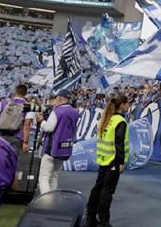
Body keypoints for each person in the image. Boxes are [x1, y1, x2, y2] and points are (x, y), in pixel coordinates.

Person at [87, 95, 130, 227]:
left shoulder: (108, 118)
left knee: (98, 188)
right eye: (127, 104)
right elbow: (119, 143)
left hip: (104, 159)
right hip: (113, 161)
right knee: (107, 191)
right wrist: (121, 162)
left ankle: (90, 216)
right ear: (122, 105)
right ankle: (104, 220)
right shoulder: (120, 122)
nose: (128, 106)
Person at [37, 89, 79, 195]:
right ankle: (53, 200)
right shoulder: (75, 111)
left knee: (44, 177)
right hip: (65, 147)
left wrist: (41, 121)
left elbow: (49, 128)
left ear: (59, 98)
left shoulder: (57, 111)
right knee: (54, 175)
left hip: (53, 147)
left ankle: (47, 202)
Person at [0, 84, 35, 151]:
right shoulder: (29, 107)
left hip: (1, 135)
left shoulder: (3, 103)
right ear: (26, 93)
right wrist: (25, 142)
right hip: (16, 137)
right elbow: (27, 125)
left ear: (15, 92)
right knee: (12, 159)